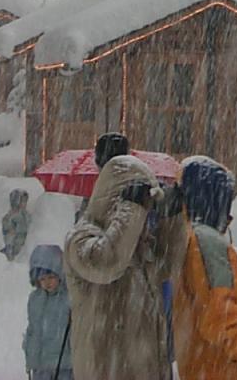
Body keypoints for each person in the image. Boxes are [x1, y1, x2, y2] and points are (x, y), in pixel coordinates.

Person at [63, 154, 187, 380]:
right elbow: (107, 264)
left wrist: (172, 218)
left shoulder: (139, 249)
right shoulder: (80, 239)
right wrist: (132, 208)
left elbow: (169, 264)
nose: (144, 213)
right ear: (113, 200)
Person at [173, 157, 237, 380]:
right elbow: (220, 306)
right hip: (221, 367)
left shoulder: (186, 239)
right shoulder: (207, 243)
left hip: (199, 365)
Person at [23, 244, 72, 380]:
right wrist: (29, 353)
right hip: (40, 365)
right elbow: (33, 329)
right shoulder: (35, 299)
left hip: (64, 364)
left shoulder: (69, 299)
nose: (47, 282)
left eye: (51, 277)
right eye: (42, 279)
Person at [1, 188, 31, 260]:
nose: (24, 204)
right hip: (15, 244)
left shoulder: (26, 214)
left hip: (25, 243)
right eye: (22, 201)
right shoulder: (10, 217)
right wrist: (9, 247)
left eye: (25, 201)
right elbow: (8, 234)